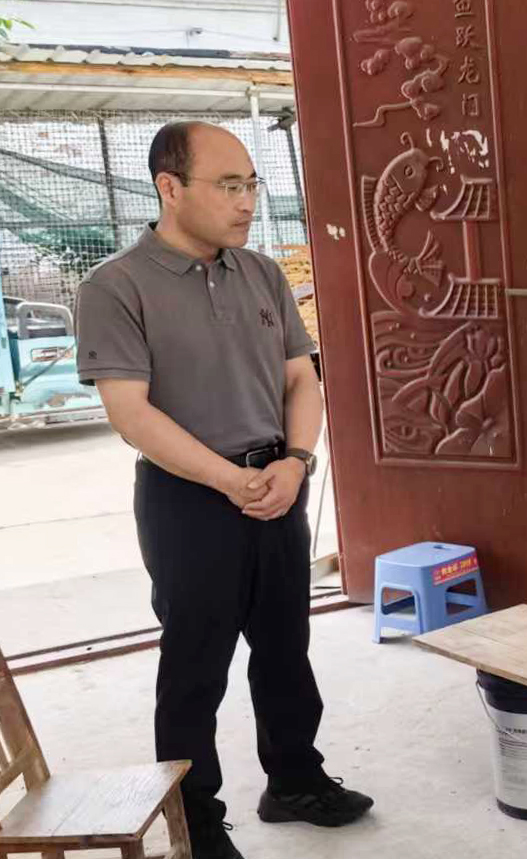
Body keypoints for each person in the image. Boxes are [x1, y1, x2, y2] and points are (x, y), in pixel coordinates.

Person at [76, 121, 372, 859]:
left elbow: (301, 377)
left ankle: (295, 780)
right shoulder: (116, 286)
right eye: (228, 186)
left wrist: (296, 461)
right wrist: (229, 478)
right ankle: (196, 823)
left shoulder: (261, 273)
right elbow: (130, 413)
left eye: (251, 185)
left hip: (277, 483)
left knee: (285, 647)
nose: (246, 203)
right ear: (169, 188)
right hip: (188, 501)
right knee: (194, 665)